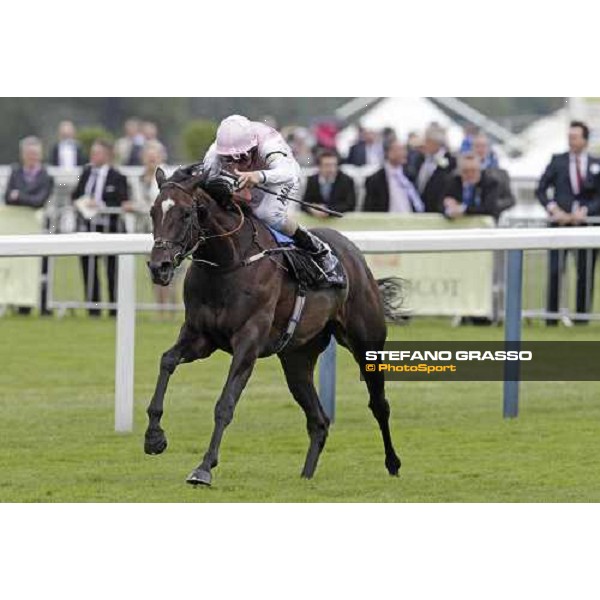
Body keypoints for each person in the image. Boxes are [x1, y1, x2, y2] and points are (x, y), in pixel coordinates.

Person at [202, 114, 343, 284]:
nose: (236, 165)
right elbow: (205, 181)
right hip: (253, 176)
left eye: (242, 157)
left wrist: (258, 176)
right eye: (229, 160)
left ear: (253, 148)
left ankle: (320, 251)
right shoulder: (214, 154)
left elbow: (287, 172)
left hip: (280, 176)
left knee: (267, 215)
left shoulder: (269, 143)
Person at [536, 120, 600, 325]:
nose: (571, 141)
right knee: (555, 270)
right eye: (569, 137)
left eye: (575, 137)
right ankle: (551, 317)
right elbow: (541, 189)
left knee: (585, 273)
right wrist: (554, 209)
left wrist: (586, 211)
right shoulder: (558, 161)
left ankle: (582, 318)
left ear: (585, 140)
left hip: (586, 227)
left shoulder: (596, 163)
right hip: (559, 226)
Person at [71, 139, 128, 316]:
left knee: (112, 270)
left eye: (97, 153)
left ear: (107, 155)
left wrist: (100, 204)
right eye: (92, 153)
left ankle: (114, 308)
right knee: (88, 268)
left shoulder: (118, 176)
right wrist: (82, 203)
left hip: (111, 228)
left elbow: (121, 199)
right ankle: (93, 308)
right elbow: (75, 194)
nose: (93, 156)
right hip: (88, 227)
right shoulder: (86, 172)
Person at [4, 136, 54, 315]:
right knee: (17, 264)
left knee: (40, 267)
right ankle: (18, 302)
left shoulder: (46, 176)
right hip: (17, 228)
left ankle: (41, 304)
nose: (32, 157)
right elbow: (8, 197)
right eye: (28, 154)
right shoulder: (15, 172)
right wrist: (24, 199)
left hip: (39, 228)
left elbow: (39, 200)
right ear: (22, 155)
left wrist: (21, 197)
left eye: (35, 154)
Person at [442, 153, 514, 221]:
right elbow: (438, 204)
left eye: (473, 171)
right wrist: (448, 206)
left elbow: (488, 208)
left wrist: (463, 209)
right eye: (466, 171)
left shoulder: (490, 183)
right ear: (460, 171)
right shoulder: (453, 182)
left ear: (479, 170)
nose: (470, 174)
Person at [363, 141, 425, 213]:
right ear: (389, 153)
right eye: (399, 150)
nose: (404, 153)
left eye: (404, 150)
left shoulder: (409, 175)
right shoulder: (375, 180)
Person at [413, 125, 457, 213]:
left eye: (427, 141)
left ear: (435, 143)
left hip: (437, 210)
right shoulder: (421, 159)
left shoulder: (451, 161)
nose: (425, 145)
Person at [302, 150, 356, 215]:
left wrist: (328, 210)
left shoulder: (346, 180)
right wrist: (311, 209)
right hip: (316, 220)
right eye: (327, 165)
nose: (331, 169)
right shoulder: (312, 180)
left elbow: (350, 205)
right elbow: (304, 204)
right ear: (319, 166)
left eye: (334, 165)